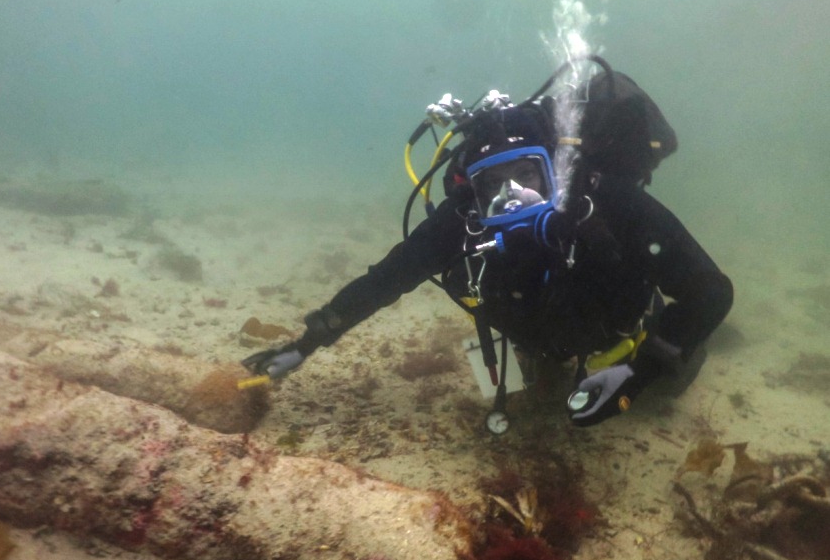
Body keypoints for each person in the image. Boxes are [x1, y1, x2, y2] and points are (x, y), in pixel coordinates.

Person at [243, 60, 733, 428]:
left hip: (622, 329)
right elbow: (385, 280)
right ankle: (548, 358)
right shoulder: (462, 220)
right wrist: (308, 342)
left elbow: (711, 290)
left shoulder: (606, 200)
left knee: (668, 390)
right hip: (544, 329)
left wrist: (638, 375)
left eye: (527, 175)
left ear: (555, 170)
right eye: (492, 185)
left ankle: (680, 350)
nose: (513, 196)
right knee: (542, 366)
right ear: (471, 190)